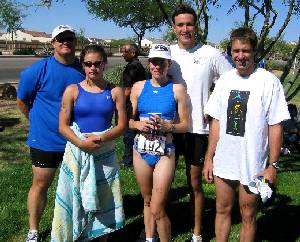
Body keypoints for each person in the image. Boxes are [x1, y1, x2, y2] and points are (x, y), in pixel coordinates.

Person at [203, 27, 290, 242]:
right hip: (225, 159)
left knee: (248, 215)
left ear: (254, 52)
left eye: (245, 51)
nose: (240, 56)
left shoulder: (269, 82)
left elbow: (276, 125)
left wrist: (273, 165)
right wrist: (209, 158)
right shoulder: (224, 81)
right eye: (235, 51)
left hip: (253, 162)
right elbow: (216, 121)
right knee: (222, 209)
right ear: (230, 52)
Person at [168, 4, 233, 242]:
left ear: (196, 26)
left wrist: (212, 106)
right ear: (174, 28)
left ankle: (196, 233)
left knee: (195, 183)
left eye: (189, 24)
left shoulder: (211, 54)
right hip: (171, 129)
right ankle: (158, 226)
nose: (185, 29)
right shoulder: (168, 54)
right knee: (163, 182)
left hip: (199, 129)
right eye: (181, 24)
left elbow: (229, 83)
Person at [16, 25, 85, 242]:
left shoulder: (84, 69)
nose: (65, 42)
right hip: (45, 140)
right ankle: (34, 230)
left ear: (75, 42)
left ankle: (77, 226)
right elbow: (22, 100)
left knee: (79, 186)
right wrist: (36, 122)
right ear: (53, 43)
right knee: (41, 184)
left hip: (75, 140)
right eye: (60, 39)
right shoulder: (38, 70)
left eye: (70, 38)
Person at [51, 44, 126, 242]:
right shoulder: (72, 90)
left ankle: (102, 236)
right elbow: (63, 126)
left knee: (104, 198)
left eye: (97, 63)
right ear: (83, 65)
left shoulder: (115, 91)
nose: (93, 68)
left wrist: (101, 138)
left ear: (105, 64)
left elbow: (122, 125)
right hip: (78, 152)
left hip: (105, 154)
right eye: (88, 64)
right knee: (76, 197)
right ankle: (78, 233)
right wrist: (81, 143)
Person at [129, 43, 189, 242]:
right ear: (148, 64)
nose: (157, 66)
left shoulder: (178, 89)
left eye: (161, 62)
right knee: (147, 200)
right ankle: (149, 238)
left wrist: (167, 126)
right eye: (153, 62)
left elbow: (185, 125)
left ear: (168, 64)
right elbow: (127, 121)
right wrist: (139, 124)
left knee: (158, 207)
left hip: (165, 152)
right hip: (141, 150)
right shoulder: (138, 87)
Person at [120, 43, 146, 167]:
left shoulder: (132, 67)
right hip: (137, 104)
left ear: (133, 53)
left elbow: (127, 89)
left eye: (125, 51)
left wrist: (118, 103)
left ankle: (128, 161)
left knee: (129, 133)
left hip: (130, 105)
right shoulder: (138, 65)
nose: (122, 54)